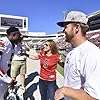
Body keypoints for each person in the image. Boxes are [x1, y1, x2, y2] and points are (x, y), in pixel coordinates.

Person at [54, 11, 100, 100]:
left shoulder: (92, 53)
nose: (63, 30)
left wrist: (64, 90)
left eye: (66, 27)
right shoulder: (72, 49)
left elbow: (93, 97)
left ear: (76, 28)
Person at [0, 26, 21, 99]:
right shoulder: (3, 41)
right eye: (18, 36)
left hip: (4, 76)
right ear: (13, 35)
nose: (19, 37)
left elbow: (18, 52)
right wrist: (8, 80)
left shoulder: (12, 44)